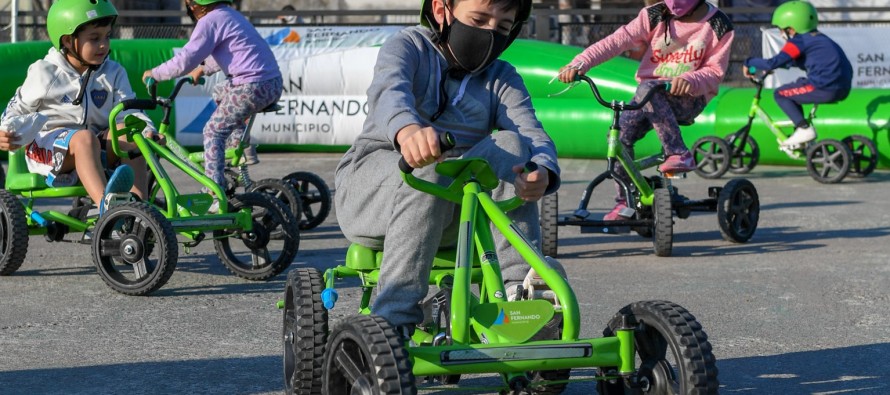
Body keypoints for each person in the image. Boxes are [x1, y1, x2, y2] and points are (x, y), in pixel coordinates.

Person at [334, 0, 563, 336]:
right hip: (374, 188)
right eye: (479, 19)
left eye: (500, 28)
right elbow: (389, 93)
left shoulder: (501, 77)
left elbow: (531, 131)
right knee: (431, 167)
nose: (488, 34)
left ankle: (520, 295)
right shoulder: (408, 47)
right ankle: (394, 318)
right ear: (442, 11)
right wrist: (407, 130)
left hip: (459, 204)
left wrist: (542, 170)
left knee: (514, 148)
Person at [557, 0, 734, 221]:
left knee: (650, 88)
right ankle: (626, 201)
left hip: (689, 97)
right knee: (619, 137)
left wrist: (689, 78)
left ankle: (679, 152)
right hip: (647, 95)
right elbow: (617, 40)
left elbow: (715, 72)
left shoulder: (718, 24)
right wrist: (581, 63)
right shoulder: (655, 14)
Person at [0, 0, 155, 216]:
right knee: (83, 139)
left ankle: (139, 212)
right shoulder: (45, 73)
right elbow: (14, 111)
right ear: (68, 41)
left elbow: (130, 111)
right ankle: (108, 212)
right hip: (50, 152)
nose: (103, 45)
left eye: (107, 36)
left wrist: (147, 130)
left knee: (131, 134)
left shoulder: (114, 72)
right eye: (94, 38)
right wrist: (4, 132)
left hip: (93, 148)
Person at [142, 0, 282, 201]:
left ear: (201, 4)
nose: (190, 8)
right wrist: (202, 69)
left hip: (250, 86)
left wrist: (155, 74)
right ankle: (239, 150)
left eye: (191, 4)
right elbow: (231, 50)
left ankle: (215, 192)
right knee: (220, 91)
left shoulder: (209, 20)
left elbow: (185, 59)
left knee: (212, 131)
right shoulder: (229, 14)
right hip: (270, 83)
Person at [743, 0, 852, 148]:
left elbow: (773, 63)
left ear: (791, 29)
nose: (781, 34)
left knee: (781, 94)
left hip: (823, 87)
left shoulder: (799, 41)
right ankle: (800, 133)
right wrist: (780, 66)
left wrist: (749, 62)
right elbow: (795, 62)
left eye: (781, 29)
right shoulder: (818, 39)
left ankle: (803, 129)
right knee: (796, 88)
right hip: (842, 87)